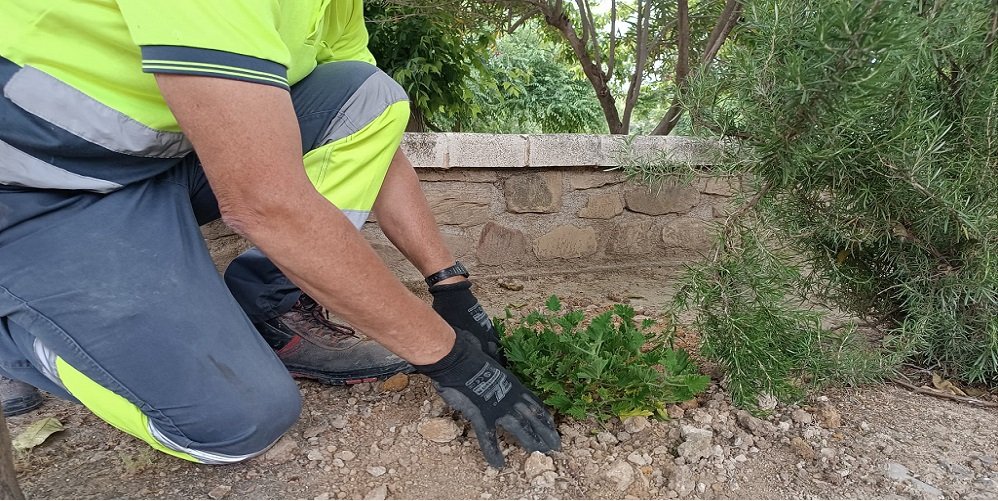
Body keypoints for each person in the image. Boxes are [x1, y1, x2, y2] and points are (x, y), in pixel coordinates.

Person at [0, 0, 558, 467]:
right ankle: (17, 334)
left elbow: (375, 138)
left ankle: (269, 309)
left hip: (159, 157)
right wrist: (450, 358)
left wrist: (450, 285)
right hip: (37, 189)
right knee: (235, 422)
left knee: (369, 94)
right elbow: (265, 204)